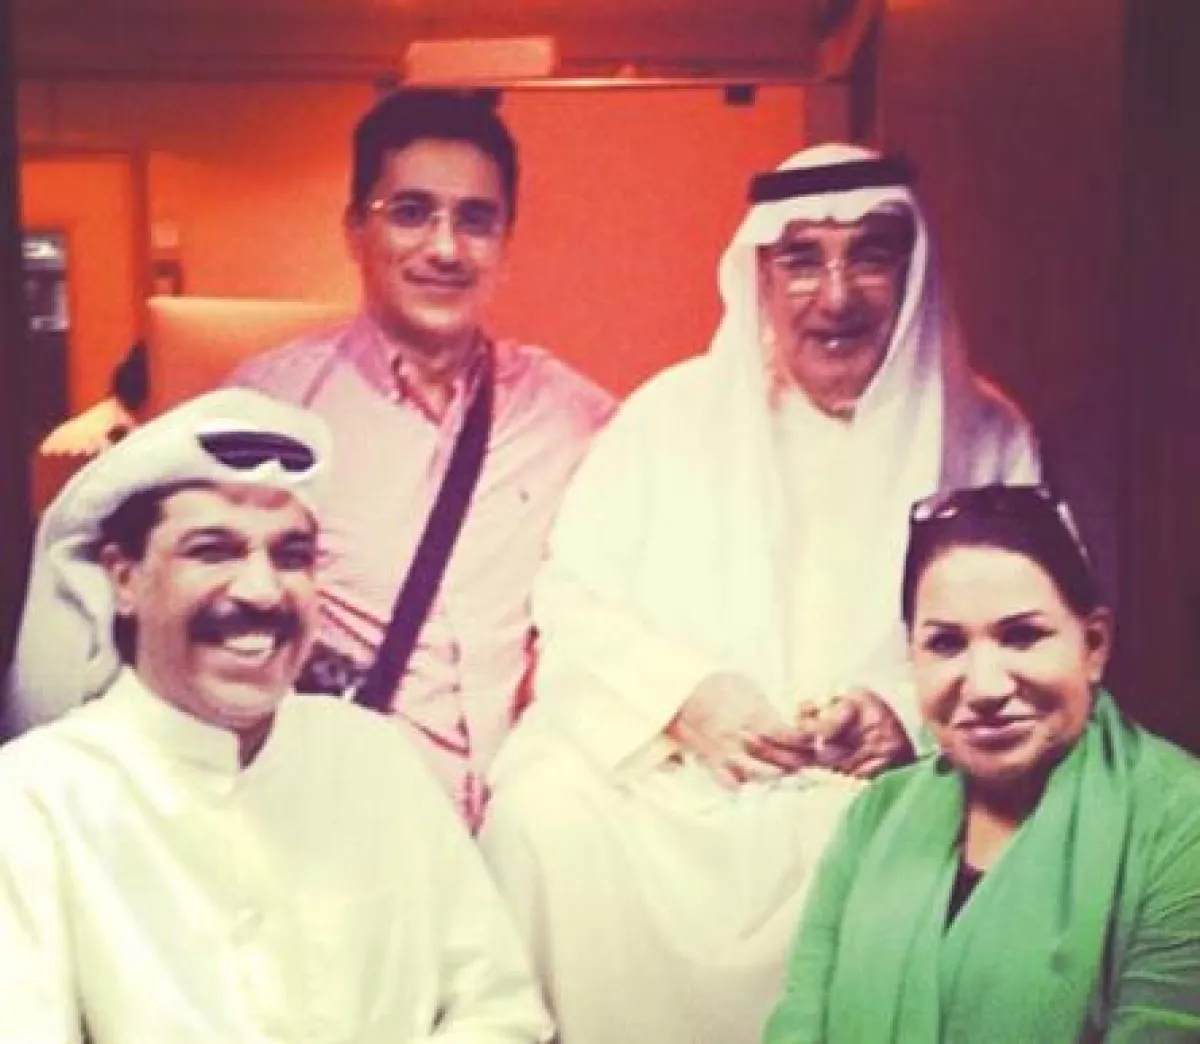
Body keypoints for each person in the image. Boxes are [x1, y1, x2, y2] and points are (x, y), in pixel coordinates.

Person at [479, 143, 1042, 1043]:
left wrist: (901, 713)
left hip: (866, 784)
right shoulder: (668, 416)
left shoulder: (986, 434)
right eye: (802, 260)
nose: (835, 296)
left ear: (911, 272)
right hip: (672, 771)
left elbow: (1028, 632)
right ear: (763, 278)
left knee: (901, 845)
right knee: (539, 818)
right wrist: (685, 700)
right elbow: (574, 598)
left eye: (869, 256)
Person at [0, 389, 554, 1043]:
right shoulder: (38, 799)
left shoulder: (372, 758)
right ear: (124, 579)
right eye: (214, 550)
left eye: (290, 556)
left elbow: (499, 1008)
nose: (262, 591)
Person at [225, 88, 613, 827]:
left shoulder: (575, 419)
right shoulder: (272, 410)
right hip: (341, 825)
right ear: (353, 230)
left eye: (476, 219)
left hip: (518, 835)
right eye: (410, 212)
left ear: (506, 240)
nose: (445, 248)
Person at [764, 483, 1200, 1042]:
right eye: (946, 644)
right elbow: (800, 1021)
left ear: (1094, 645)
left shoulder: (1178, 825)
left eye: (1022, 636)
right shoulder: (875, 817)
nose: (986, 687)